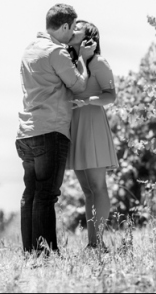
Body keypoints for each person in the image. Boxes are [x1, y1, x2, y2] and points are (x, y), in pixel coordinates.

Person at [15, 4, 96, 256]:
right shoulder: (57, 53)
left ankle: (30, 251)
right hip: (50, 130)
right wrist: (81, 57)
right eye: (71, 28)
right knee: (47, 194)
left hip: (26, 131)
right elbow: (78, 85)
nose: (73, 33)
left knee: (31, 193)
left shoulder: (30, 49)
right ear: (64, 26)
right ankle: (46, 251)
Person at [66, 20, 119, 251]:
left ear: (89, 38)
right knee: (87, 190)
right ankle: (94, 243)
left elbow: (111, 96)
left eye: (77, 28)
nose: (72, 30)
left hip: (92, 123)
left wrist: (88, 101)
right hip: (75, 124)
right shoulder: (70, 62)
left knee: (98, 187)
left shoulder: (98, 62)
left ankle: (97, 243)